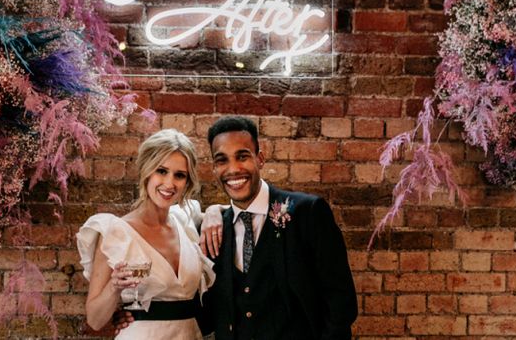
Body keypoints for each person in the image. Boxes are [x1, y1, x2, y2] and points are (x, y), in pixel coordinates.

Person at [198, 115, 357, 340]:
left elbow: (341, 301)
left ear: (260, 159)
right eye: (222, 160)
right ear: (214, 168)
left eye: (242, 156)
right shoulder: (214, 228)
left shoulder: (307, 212)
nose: (233, 169)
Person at [76, 129, 215, 339]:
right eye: (161, 171)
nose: (169, 184)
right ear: (146, 172)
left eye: (179, 175)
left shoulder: (185, 220)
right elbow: (94, 320)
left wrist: (214, 212)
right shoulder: (116, 232)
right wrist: (114, 287)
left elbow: (230, 213)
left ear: (187, 182)